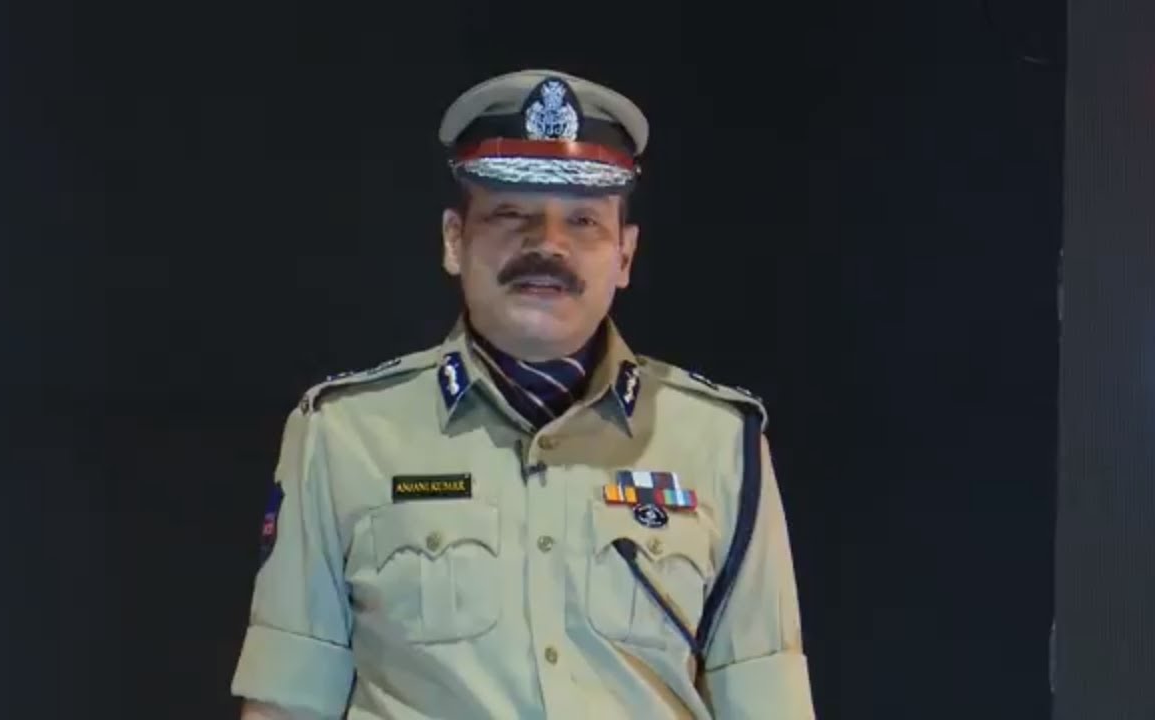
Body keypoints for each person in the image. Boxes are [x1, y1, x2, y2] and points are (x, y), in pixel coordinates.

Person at [231, 68, 817, 720]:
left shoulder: (720, 442)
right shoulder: (342, 435)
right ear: (455, 239)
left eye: (584, 221)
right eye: (511, 214)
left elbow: (769, 706)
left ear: (625, 256)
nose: (547, 244)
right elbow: (286, 708)